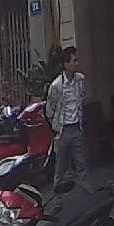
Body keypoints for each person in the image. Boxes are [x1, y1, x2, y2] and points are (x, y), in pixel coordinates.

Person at [47, 46, 87, 190]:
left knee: (81, 162)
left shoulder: (80, 80)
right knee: (61, 164)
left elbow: (82, 99)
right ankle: (58, 193)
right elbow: (50, 110)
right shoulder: (57, 85)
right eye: (74, 61)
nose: (76, 63)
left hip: (76, 126)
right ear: (66, 64)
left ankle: (85, 191)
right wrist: (57, 128)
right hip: (63, 129)